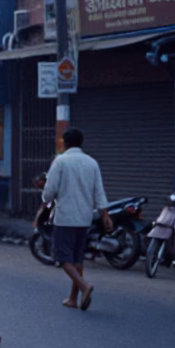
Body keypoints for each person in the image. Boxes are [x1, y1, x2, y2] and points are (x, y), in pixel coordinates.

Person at [40, 127, 111, 311]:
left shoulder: (61, 161)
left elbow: (49, 191)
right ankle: (73, 298)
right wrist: (105, 214)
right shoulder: (91, 163)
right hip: (85, 218)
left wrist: (46, 199)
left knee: (63, 257)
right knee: (77, 258)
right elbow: (99, 190)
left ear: (64, 142)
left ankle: (84, 286)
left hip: (65, 218)